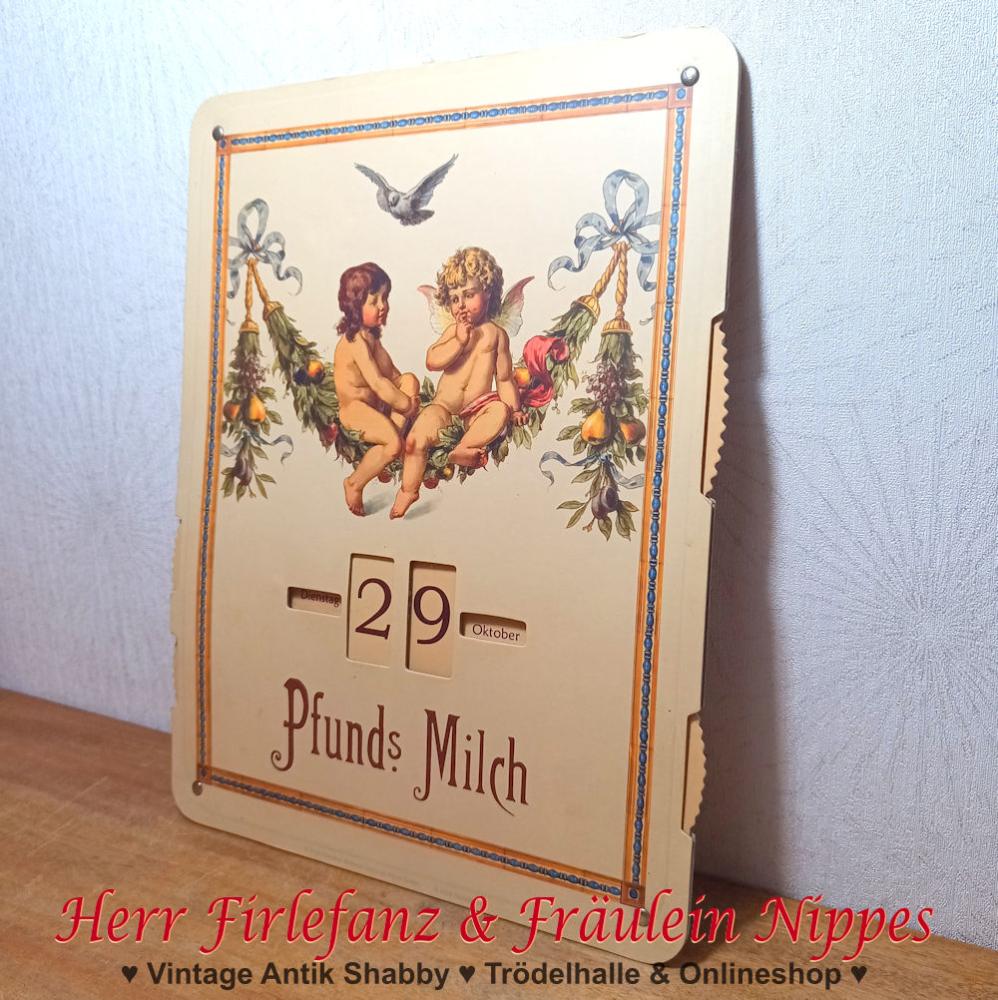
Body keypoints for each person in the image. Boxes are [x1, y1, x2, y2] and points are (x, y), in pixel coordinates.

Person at [391, 247, 526, 519]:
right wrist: (458, 342)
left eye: (469, 295)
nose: (461, 305)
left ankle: (462, 448)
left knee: (499, 410)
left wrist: (515, 409)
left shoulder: (497, 336)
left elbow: (503, 378)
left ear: (488, 293)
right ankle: (408, 490)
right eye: (454, 299)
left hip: (474, 412)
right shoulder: (453, 331)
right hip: (442, 408)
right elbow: (432, 360)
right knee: (415, 440)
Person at [333, 262, 419, 516]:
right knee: (392, 444)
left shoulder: (371, 337)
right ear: (354, 307)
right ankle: (354, 483)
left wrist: (408, 390)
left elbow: (391, 375)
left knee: (409, 379)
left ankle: (392, 444)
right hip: (355, 409)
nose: (383, 305)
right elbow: (379, 383)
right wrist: (407, 405)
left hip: (375, 407)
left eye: (385, 298)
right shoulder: (355, 341)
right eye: (374, 301)